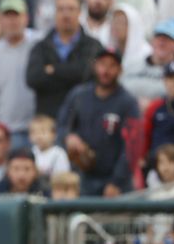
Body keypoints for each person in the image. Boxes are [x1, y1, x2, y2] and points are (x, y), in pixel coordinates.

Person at [59, 49, 140, 196]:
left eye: (112, 65)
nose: (106, 71)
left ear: (120, 70)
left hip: (115, 181)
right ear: (94, 66)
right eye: (102, 64)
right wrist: (69, 137)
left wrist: (117, 181)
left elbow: (132, 147)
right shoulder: (79, 95)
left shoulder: (128, 103)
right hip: (82, 177)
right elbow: (62, 125)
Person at [26, 0, 104, 119]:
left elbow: (85, 73)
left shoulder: (93, 46)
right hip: (48, 124)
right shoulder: (40, 47)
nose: (66, 14)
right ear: (55, 13)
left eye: (71, 9)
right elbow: (33, 78)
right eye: (61, 9)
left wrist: (53, 69)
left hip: (83, 119)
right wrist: (71, 73)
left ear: (80, 13)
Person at [0, 0, 36, 149]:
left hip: (37, 128)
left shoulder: (38, 43)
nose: (12, 21)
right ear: (1, 20)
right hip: (7, 129)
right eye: (7, 17)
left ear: (26, 18)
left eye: (16, 16)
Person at [122, 21, 174, 110]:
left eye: (167, 39)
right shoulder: (132, 65)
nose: (162, 43)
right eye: (158, 38)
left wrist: (153, 105)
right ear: (151, 42)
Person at [29, 115, 70, 179]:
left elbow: (63, 176)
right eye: (35, 132)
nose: (39, 136)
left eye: (43, 132)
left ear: (54, 134)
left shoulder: (59, 153)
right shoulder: (31, 152)